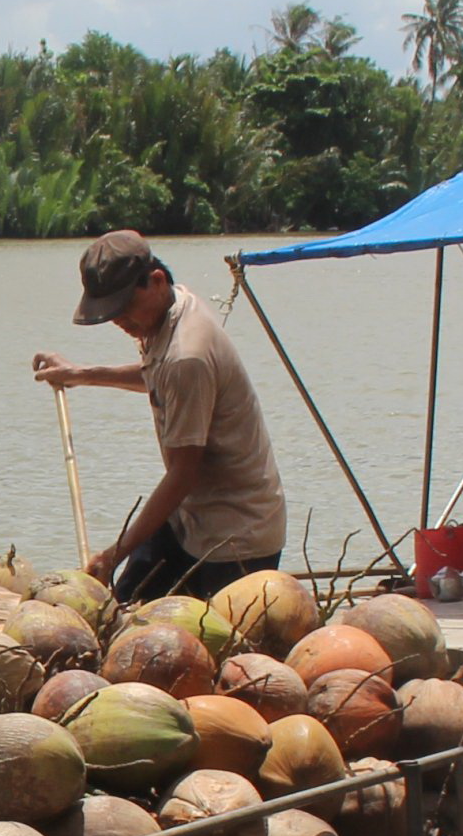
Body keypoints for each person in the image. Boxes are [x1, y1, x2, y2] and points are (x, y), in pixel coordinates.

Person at [32, 227, 291, 600]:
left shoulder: (188, 355)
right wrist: (80, 374)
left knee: (211, 647)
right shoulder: (174, 305)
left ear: (154, 281)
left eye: (123, 310)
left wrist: (115, 553)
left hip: (235, 536)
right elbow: (158, 376)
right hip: (189, 518)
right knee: (120, 609)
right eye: (110, 314)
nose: (119, 322)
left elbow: (183, 473)